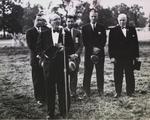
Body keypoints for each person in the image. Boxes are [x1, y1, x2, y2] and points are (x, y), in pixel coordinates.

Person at [36, 13, 71, 119]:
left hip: (62, 66)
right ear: (50, 22)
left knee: (62, 89)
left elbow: (72, 48)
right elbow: (38, 48)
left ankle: (63, 111)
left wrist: (65, 48)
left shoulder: (66, 33)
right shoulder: (44, 33)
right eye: (54, 19)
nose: (57, 21)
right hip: (49, 66)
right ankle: (50, 113)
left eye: (59, 19)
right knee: (50, 90)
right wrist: (44, 56)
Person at [108, 13, 139, 98]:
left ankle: (130, 92)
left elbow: (135, 43)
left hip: (129, 57)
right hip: (118, 58)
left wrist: (136, 56)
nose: (122, 22)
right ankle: (118, 92)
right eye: (120, 20)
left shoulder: (132, 29)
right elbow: (110, 45)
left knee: (130, 75)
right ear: (118, 21)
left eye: (124, 20)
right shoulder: (113, 31)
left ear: (126, 20)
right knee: (118, 75)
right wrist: (112, 57)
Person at [82, 9, 106, 98]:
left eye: (95, 16)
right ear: (89, 17)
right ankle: (86, 91)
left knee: (100, 73)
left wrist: (98, 48)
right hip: (89, 54)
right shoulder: (84, 28)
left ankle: (101, 90)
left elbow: (104, 40)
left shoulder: (102, 27)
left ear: (97, 17)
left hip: (100, 54)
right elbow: (84, 41)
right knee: (87, 73)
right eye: (92, 16)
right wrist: (92, 49)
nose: (93, 18)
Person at [26, 13, 47, 105]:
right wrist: (40, 54)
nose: (40, 22)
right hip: (35, 59)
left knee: (45, 78)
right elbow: (31, 46)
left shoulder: (47, 30)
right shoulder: (29, 32)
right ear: (34, 21)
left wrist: (45, 54)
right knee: (37, 79)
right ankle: (39, 97)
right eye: (38, 20)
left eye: (41, 20)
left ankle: (45, 96)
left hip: (46, 58)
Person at [65, 15, 83, 99]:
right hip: (65, 57)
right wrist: (67, 56)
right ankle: (65, 93)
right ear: (66, 22)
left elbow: (81, 45)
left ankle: (73, 92)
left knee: (74, 75)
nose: (70, 23)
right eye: (68, 21)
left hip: (75, 57)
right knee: (64, 75)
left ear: (74, 22)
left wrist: (76, 54)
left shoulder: (78, 32)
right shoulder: (62, 32)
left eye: (71, 21)